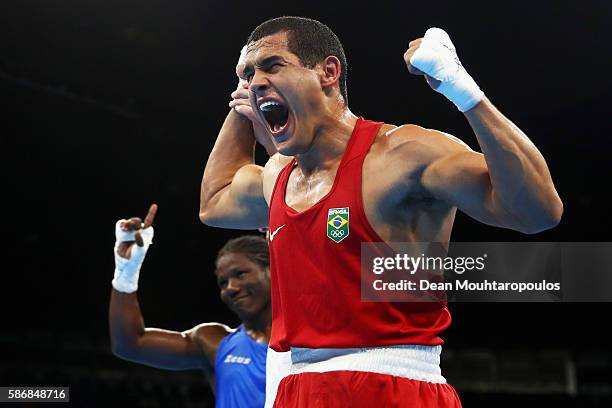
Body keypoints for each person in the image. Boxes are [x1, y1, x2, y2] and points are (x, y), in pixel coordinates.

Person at [200, 17, 563, 407]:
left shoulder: (403, 154)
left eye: (273, 66)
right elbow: (216, 200)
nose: (256, 81)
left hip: (392, 385)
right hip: (297, 388)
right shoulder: (278, 176)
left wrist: (465, 93)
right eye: (248, 74)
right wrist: (244, 100)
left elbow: (536, 212)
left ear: (328, 72)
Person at [110, 204, 272, 407]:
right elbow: (129, 344)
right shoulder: (214, 342)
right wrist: (126, 271)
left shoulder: (309, 336)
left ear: (272, 270)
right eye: (223, 282)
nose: (231, 288)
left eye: (240, 274)